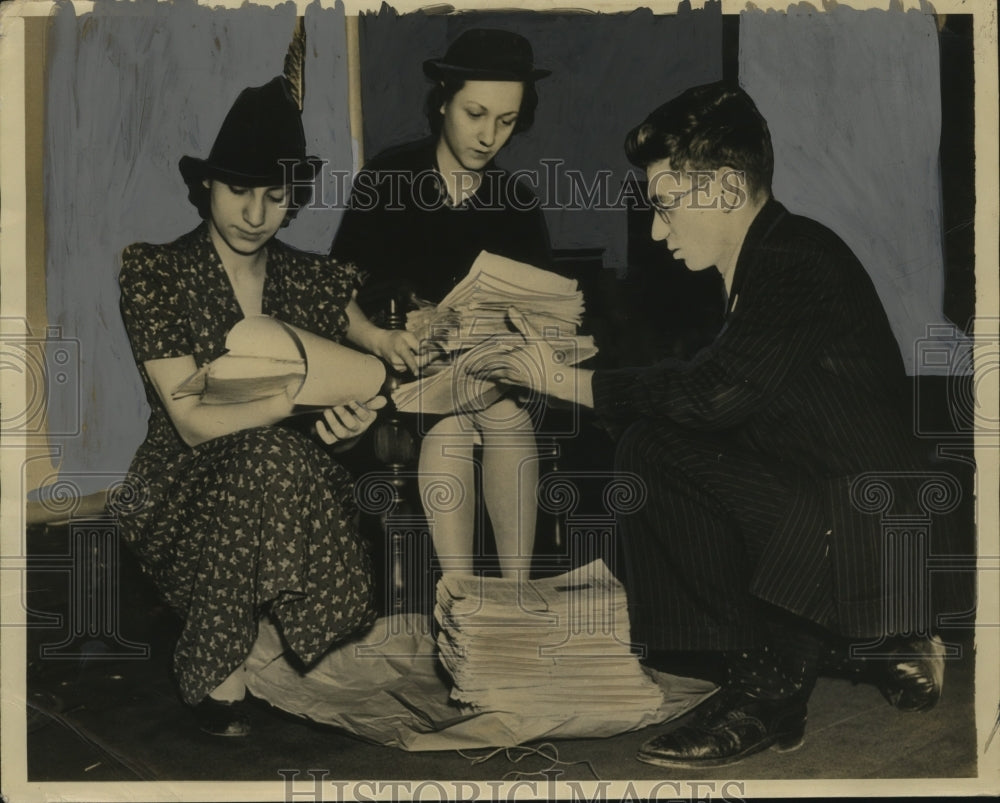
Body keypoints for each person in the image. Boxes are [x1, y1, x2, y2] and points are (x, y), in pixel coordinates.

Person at [478, 81, 947, 767]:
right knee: (651, 442)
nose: (659, 230)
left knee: (655, 449)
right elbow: (708, 391)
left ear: (726, 187)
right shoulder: (769, 256)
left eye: (666, 206)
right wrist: (580, 367)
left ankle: (772, 688)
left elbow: (714, 397)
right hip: (837, 508)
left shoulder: (792, 260)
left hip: (865, 525)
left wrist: (555, 378)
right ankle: (874, 642)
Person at [114, 76, 413, 737]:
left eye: (275, 195)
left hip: (291, 489)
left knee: (276, 452)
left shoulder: (312, 280)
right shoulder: (154, 271)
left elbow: (371, 357)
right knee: (263, 448)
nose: (255, 212)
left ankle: (254, 621)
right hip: (177, 487)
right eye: (238, 190)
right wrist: (295, 394)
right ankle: (216, 660)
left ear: (293, 198)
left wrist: (351, 418)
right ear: (207, 188)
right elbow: (191, 420)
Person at [331, 29, 552, 578]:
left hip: (488, 379)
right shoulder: (387, 178)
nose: (489, 136)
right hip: (395, 375)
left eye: (506, 121)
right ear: (444, 101)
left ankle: (512, 599)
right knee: (453, 426)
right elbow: (335, 296)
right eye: (476, 113)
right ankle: (460, 601)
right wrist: (397, 328)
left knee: (506, 419)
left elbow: (539, 321)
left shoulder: (518, 205)